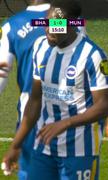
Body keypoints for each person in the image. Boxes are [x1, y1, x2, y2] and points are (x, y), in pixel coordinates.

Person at [2, 0, 108, 179]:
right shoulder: (40, 47)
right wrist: (16, 145)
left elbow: (105, 106)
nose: (49, 29)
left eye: (56, 25)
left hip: (79, 149)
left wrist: (65, 123)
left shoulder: (93, 56)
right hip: (44, 145)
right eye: (47, 23)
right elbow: (35, 100)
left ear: (71, 25)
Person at [0, 1, 51, 179]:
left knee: (31, 171)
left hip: (30, 108)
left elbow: (1, 73)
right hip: (71, 105)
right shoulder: (70, 21)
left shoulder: (12, 25)